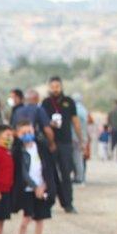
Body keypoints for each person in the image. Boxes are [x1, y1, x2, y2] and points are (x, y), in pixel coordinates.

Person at [10, 119, 55, 234]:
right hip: (28, 189)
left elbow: (48, 168)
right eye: (24, 132)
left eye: (29, 131)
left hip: (43, 187)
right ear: (18, 134)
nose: (27, 134)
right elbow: (22, 173)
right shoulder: (19, 151)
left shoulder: (41, 147)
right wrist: (35, 187)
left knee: (40, 218)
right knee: (26, 217)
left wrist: (44, 186)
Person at [40, 77, 80, 213]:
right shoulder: (45, 103)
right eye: (53, 86)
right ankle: (47, 203)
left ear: (61, 87)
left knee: (65, 174)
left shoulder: (69, 102)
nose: (55, 89)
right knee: (49, 174)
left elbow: (75, 121)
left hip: (65, 142)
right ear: (49, 87)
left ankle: (68, 203)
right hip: (50, 143)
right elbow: (42, 122)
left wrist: (81, 139)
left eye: (57, 86)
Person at [72, 92, 90, 183]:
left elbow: (76, 125)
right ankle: (80, 176)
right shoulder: (84, 109)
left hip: (75, 136)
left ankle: (79, 178)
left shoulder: (75, 109)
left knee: (77, 158)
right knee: (79, 158)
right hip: (83, 135)